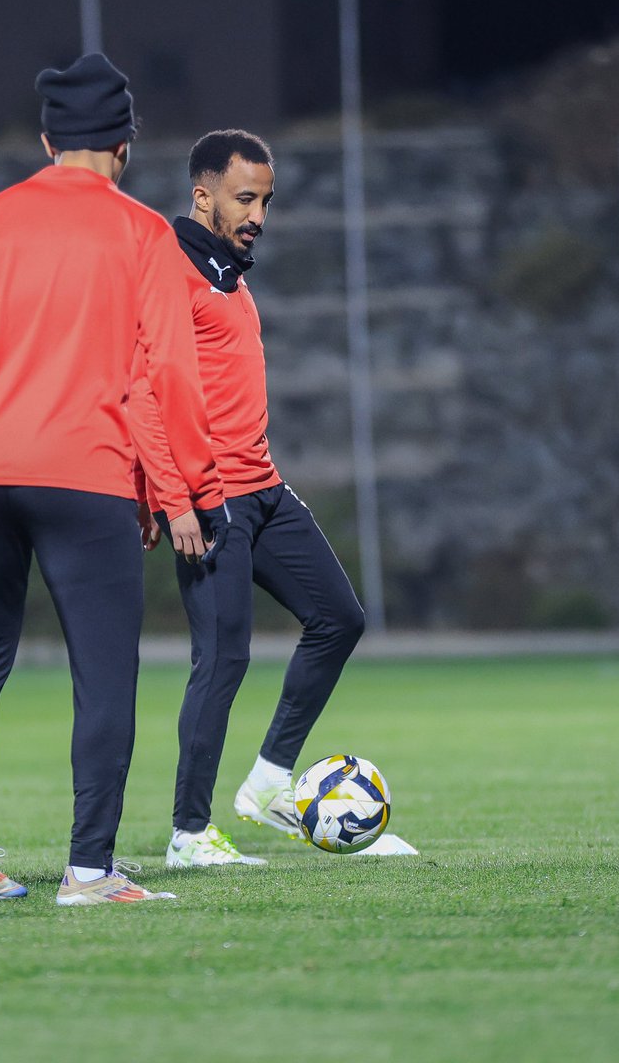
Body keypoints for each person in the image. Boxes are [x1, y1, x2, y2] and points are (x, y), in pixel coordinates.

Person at [0, 53, 228, 906]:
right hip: (85, 476)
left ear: (47, 141)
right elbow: (170, 373)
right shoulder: (145, 234)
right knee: (104, 673)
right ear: (124, 145)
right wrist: (192, 487)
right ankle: (88, 871)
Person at [129, 128, 372, 869]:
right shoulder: (170, 268)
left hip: (264, 488)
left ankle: (267, 786)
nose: (258, 215)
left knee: (339, 618)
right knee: (223, 659)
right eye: (245, 199)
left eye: (266, 201)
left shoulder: (230, 274)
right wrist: (167, 498)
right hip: (212, 500)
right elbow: (142, 394)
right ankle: (188, 833)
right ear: (202, 195)